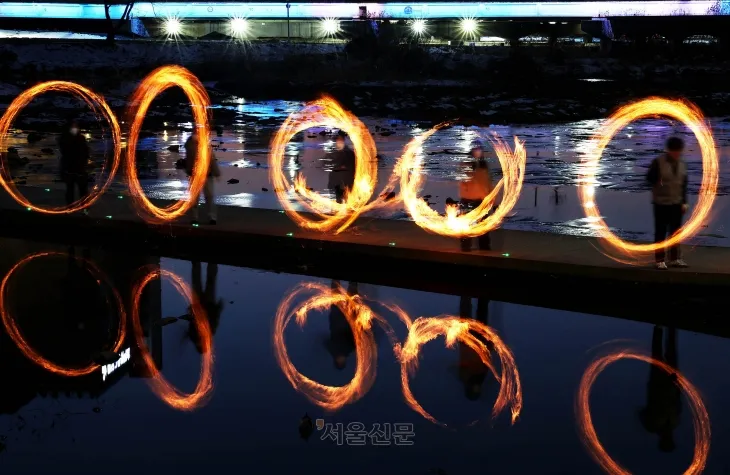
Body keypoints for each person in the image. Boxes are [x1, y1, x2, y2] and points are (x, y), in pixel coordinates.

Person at [646, 137, 689, 270]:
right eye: (674, 151)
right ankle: (659, 260)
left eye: (678, 151)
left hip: (676, 203)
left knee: (675, 233)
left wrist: (684, 202)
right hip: (661, 203)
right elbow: (649, 178)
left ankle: (675, 259)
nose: (676, 153)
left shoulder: (682, 164)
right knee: (661, 232)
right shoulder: (658, 162)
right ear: (668, 150)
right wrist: (657, 180)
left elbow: (684, 185)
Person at [639, 326, 681, 453]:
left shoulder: (653, 425)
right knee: (671, 352)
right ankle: (671, 328)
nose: (669, 437)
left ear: (662, 440)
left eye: (667, 440)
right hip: (671, 383)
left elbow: (644, 412)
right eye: (670, 439)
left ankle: (658, 327)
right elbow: (677, 403)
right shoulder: (674, 423)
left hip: (657, 383)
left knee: (657, 354)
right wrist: (677, 385)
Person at [459, 143, 493, 252]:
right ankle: (466, 248)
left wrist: (492, 199)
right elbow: (463, 182)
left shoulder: (484, 166)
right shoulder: (465, 164)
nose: (478, 151)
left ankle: (484, 248)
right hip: (467, 200)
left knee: (483, 227)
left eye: (480, 149)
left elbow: (488, 183)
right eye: (476, 149)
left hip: (482, 201)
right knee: (466, 226)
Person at [185, 127, 221, 225]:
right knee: (207, 197)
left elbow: (189, 160)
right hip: (203, 175)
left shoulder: (191, 144)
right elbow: (211, 159)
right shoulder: (201, 144)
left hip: (198, 175)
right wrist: (216, 173)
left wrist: (188, 171)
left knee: (196, 198)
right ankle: (210, 217)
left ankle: (196, 218)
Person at [458, 295, 491, 401]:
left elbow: (464, 364)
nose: (477, 389)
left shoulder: (465, 377)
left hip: (468, 341)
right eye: (478, 391)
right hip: (477, 342)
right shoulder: (480, 377)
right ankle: (480, 298)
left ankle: (466, 296)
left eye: (475, 391)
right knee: (480, 315)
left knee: (466, 315)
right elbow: (486, 362)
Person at [187, 261, 224, 354]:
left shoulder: (203, 335)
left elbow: (215, 320)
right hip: (205, 305)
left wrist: (218, 308)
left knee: (204, 281)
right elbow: (215, 320)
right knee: (201, 281)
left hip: (204, 305)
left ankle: (206, 263)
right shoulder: (206, 334)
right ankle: (203, 263)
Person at [325, 280, 358, 370]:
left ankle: (336, 280)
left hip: (337, 318)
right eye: (342, 362)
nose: (341, 360)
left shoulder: (333, 349)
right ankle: (353, 283)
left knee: (336, 294)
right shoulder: (349, 349)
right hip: (349, 319)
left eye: (339, 362)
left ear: (336, 360)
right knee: (352, 295)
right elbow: (356, 338)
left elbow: (325, 341)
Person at [58, 118, 90, 207]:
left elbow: (86, 152)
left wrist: (85, 162)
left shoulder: (81, 138)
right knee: (70, 189)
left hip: (80, 168)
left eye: (76, 127)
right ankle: (70, 207)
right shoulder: (65, 139)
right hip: (69, 169)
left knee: (83, 190)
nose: (75, 129)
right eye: (73, 127)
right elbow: (66, 152)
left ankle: (85, 207)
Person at [326, 131, 356, 204]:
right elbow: (328, 162)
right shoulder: (333, 152)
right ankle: (339, 210)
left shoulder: (349, 153)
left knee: (347, 198)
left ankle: (346, 210)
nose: (339, 142)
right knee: (338, 198)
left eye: (340, 140)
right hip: (337, 180)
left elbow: (353, 165)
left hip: (347, 179)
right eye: (338, 140)